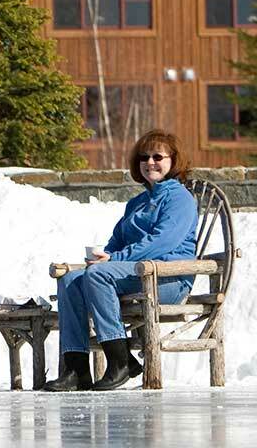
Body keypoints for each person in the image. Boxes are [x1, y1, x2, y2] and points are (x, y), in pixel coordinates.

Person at [45, 129, 198, 392]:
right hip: (136, 274)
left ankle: (119, 361)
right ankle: (76, 369)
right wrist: (103, 255)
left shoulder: (179, 198)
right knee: (71, 279)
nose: (150, 162)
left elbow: (162, 242)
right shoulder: (137, 202)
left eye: (158, 156)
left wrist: (114, 259)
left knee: (98, 275)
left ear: (174, 161)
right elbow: (118, 241)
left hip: (168, 278)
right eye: (144, 156)